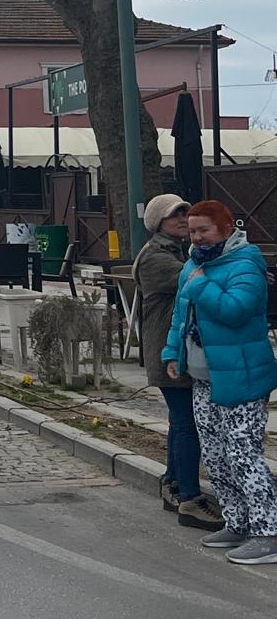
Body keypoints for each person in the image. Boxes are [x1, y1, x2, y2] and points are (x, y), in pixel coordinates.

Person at [162, 199, 277, 565]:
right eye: (192, 231)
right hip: (203, 377)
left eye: (203, 231)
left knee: (244, 455)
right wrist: (171, 354)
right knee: (215, 455)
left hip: (242, 376)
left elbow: (236, 310)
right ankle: (236, 521)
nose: (196, 238)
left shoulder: (246, 264)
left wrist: (200, 288)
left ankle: (267, 531)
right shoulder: (193, 266)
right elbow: (181, 316)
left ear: (226, 228)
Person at [135, 193, 220, 530]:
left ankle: (173, 485)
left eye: (186, 213)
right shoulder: (156, 257)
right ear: (158, 223)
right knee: (187, 423)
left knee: (180, 421)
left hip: (177, 352)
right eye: (175, 216)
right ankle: (189, 498)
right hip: (169, 354)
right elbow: (194, 281)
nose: (183, 220)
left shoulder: (176, 251)